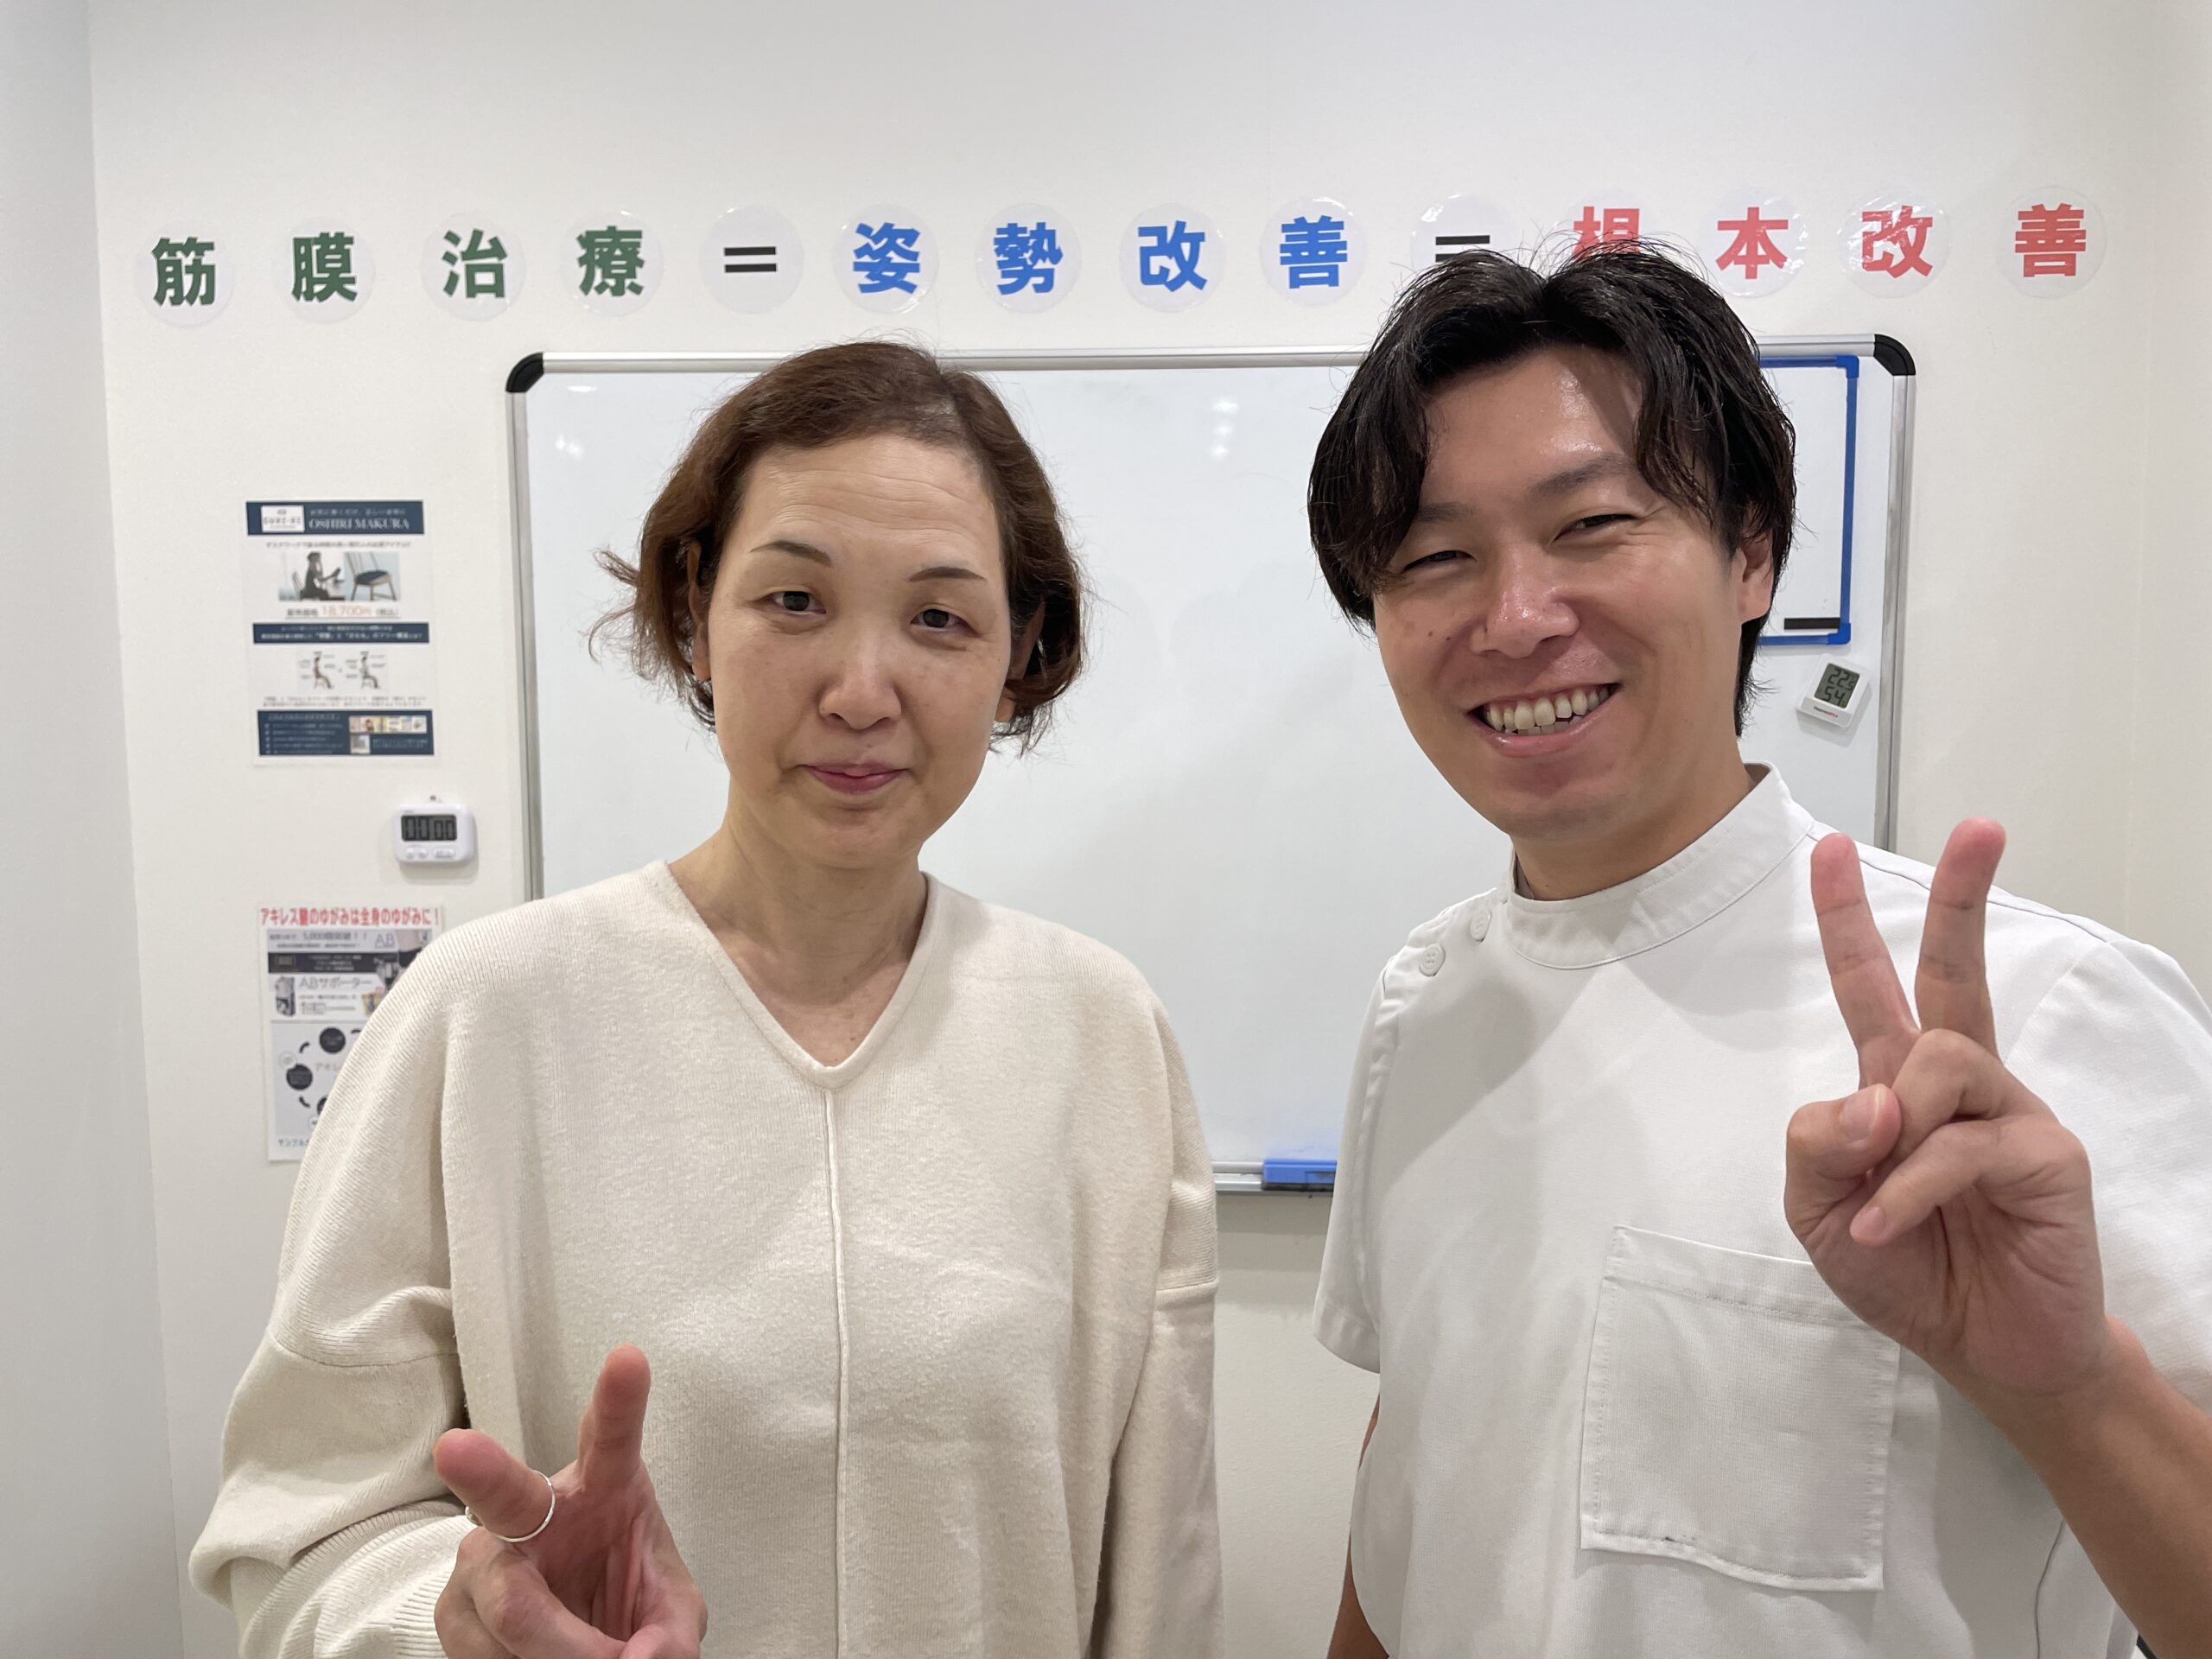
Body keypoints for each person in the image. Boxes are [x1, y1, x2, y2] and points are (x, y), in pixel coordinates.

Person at [192, 341, 1224, 1659]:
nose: (861, 693)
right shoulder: (487, 1017)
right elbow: (296, 1543)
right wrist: (453, 1619)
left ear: (1018, 654)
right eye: (795, 600)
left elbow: (1164, 1575)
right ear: (693, 615)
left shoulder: (1099, 1032)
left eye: (940, 620)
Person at [1305, 247, 2212, 1657]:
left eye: (1592, 525)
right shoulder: (1426, 1005)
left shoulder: (2037, 1018)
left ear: (1751, 553)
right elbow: (1425, 1461)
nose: (1518, 616)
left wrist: (2076, 1390)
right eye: (1434, 557)